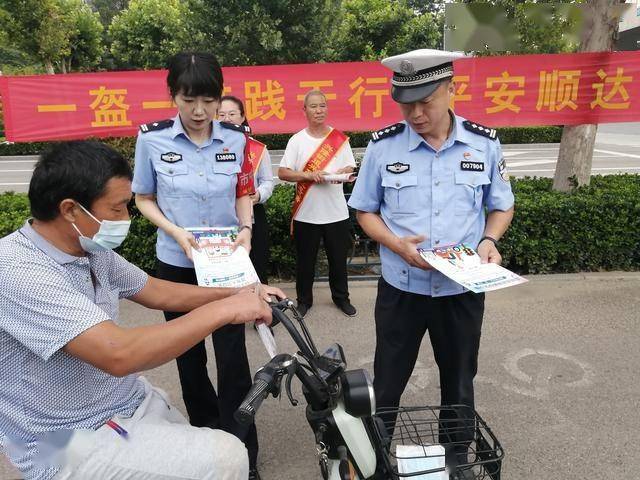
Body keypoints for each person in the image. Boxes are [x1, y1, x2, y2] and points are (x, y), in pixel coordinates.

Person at [0, 140, 285, 480]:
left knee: (205, 452)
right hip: (59, 439)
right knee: (225, 457)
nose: (126, 218)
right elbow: (120, 354)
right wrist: (226, 310)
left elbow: (156, 291)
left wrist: (242, 291)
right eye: (118, 208)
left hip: (127, 405)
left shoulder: (90, 250)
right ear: (70, 210)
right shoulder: (17, 270)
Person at [348, 49, 515, 474]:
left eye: (426, 101)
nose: (416, 113)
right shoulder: (384, 146)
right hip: (402, 287)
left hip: (461, 290)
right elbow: (364, 210)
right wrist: (397, 244)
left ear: (452, 90)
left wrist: (488, 240)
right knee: (388, 380)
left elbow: (501, 206)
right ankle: (374, 459)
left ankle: (456, 459)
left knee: (459, 380)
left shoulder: (483, 143)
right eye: (406, 103)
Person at [132, 52, 262, 479]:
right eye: (189, 100)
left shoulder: (235, 139)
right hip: (178, 262)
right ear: (173, 96)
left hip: (226, 265)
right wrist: (175, 232)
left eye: (208, 99)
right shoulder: (152, 140)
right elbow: (143, 198)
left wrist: (246, 227)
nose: (200, 111)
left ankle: (243, 451)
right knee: (189, 357)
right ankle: (209, 448)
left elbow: (244, 191)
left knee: (233, 359)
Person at [277, 90, 357, 318]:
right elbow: (283, 173)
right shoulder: (297, 140)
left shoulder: (339, 140)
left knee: (338, 261)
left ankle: (342, 299)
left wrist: (345, 171)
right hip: (306, 214)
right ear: (304, 110)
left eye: (322, 105)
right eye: (313, 106)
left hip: (336, 213)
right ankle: (304, 301)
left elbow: (350, 167)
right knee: (305, 262)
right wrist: (309, 175)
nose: (319, 110)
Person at [218, 95, 274, 284]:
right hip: (221, 219)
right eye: (221, 114)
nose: (227, 118)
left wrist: (258, 195)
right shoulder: (208, 149)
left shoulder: (257, 149)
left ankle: (260, 309)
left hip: (252, 215)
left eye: (232, 113)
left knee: (256, 267)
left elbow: (268, 181)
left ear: (242, 117)